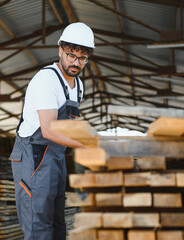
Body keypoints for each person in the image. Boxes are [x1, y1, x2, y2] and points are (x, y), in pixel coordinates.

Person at [9, 22, 95, 240]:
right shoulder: (47, 80)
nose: (76, 63)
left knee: (57, 224)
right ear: (60, 50)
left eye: (82, 58)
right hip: (33, 157)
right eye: (71, 56)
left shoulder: (79, 86)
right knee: (39, 226)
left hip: (56, 158)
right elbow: (47, 130)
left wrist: (94, 139)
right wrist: (88, 147)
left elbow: (71, 128)